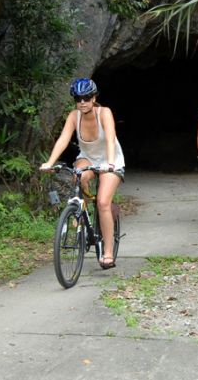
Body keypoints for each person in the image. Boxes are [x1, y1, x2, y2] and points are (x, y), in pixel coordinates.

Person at [40, 78, 125, 269]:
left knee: (103, 202)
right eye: (78, 99)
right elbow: (63, 139)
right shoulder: (74, 116)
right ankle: (81, 209)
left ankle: (108, 252)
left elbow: (110, 139)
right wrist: (50, 162)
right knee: (79, 174)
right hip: (88, 157)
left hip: (111, 159)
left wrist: (110, 164)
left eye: (86, 98)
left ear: (94, 98)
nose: (82, 102)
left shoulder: (104, 113)